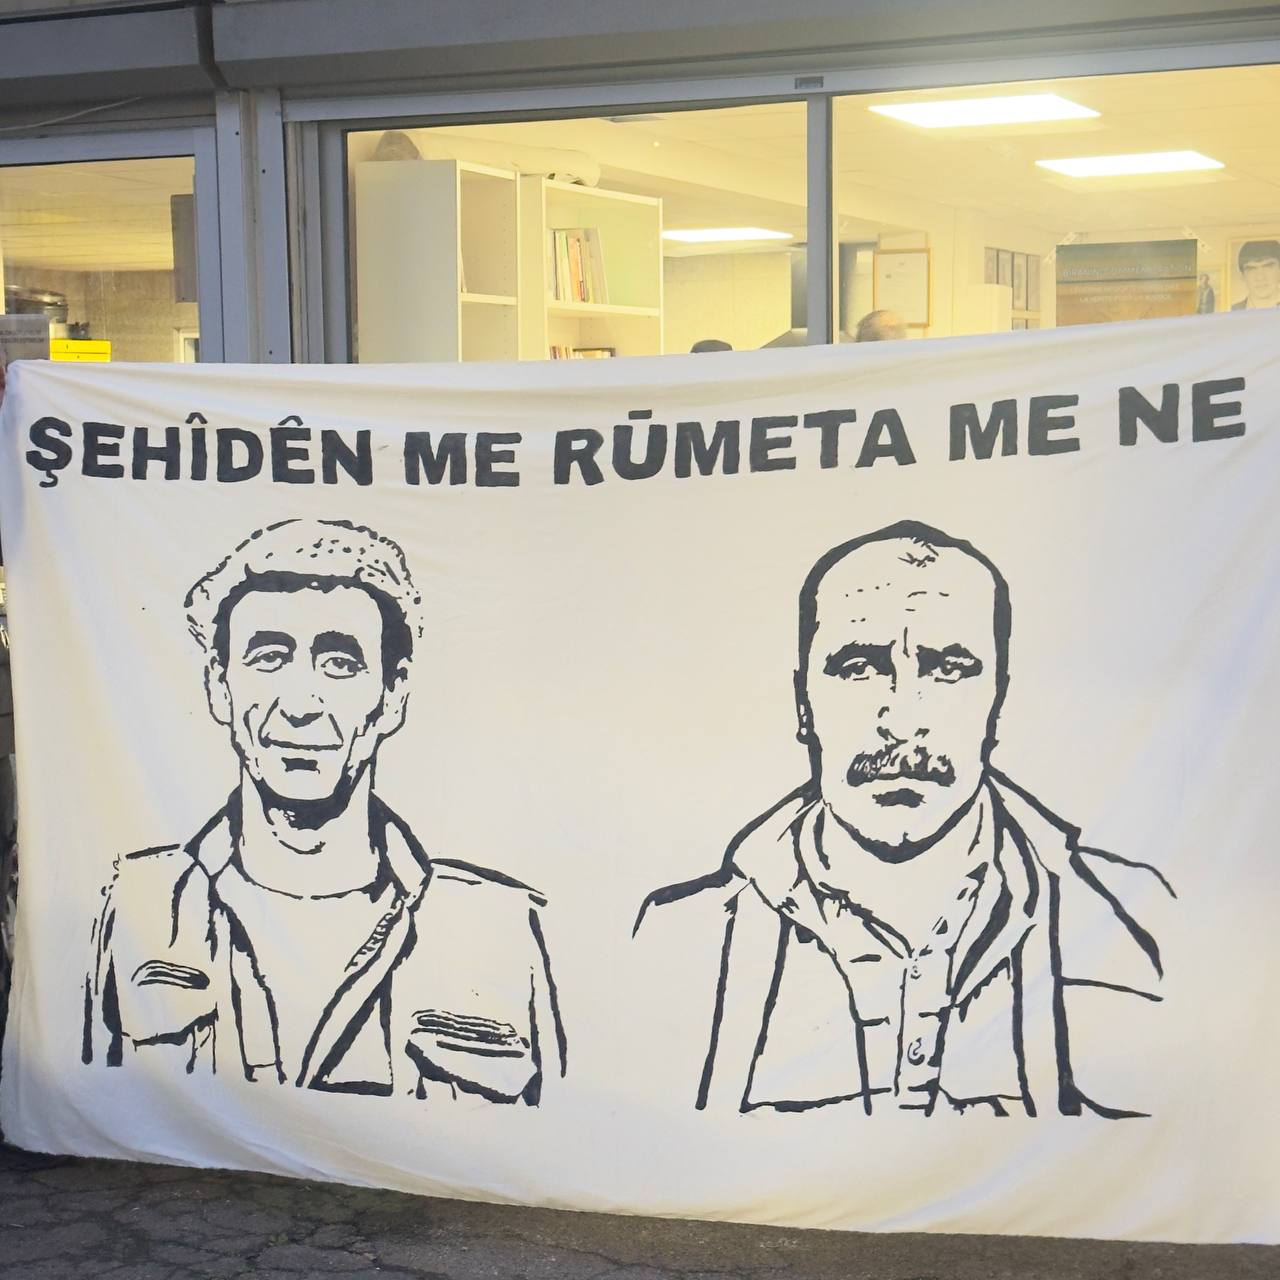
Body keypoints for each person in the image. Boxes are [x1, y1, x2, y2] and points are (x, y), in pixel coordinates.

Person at [636, 520, 1174, 1117]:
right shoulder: (679, 937)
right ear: (802, 703)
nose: (901, 719)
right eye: (859, 668)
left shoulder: (1132, 919)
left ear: (997, 702)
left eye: (949, 669)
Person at [84, 518, 564, 1104]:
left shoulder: (500, 923)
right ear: (219, 686)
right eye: (268, 658)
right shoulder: (138, 901)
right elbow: (84, 1099)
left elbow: (560, 1126)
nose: (301, 705)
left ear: (393, 695)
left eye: (339, 663)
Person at [1230, 239, 1280, 310]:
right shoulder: (1231, 310)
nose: (1260, 277)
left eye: (1268, 266)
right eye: (1251, 269)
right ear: (1242, 275)